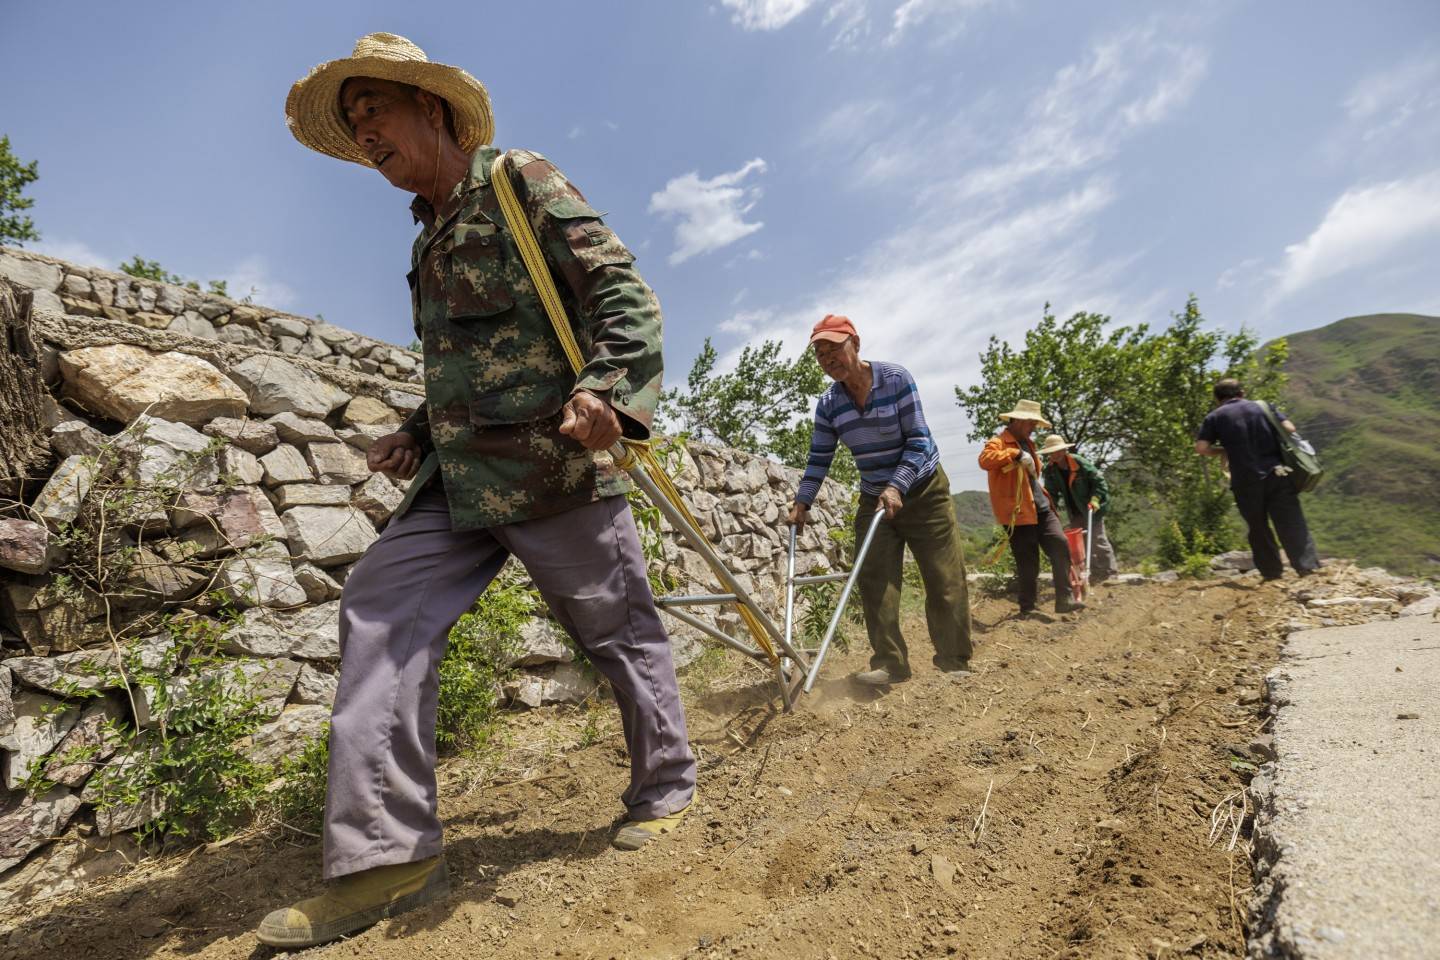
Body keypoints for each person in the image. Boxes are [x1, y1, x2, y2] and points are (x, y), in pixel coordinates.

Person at [262, 33, 696, 948]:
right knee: (379, 608)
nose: (364, 132)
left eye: (374, 109)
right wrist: (413, 431)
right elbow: (461, 368)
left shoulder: (516, 179)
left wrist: (606, 390)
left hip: (552, 461)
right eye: (351, 124)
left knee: (615, 632)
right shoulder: (424, 242)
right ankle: (390, 860)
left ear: (435, 109)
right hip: (456, 481)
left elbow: (621, 292)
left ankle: (666, 785)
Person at [786, 315, 972, 686]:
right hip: (875, 497)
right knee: (874, 580)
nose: (827, 359)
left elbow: (919, 440)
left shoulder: (896, 379)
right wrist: (802, 502)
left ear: (855, 342)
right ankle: (891, 664)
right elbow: (819, 459)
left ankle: (953, 662)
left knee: (944, 578)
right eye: (820, 354)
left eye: (833, 348)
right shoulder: (828, 405)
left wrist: (897, 485)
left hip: (923, 490)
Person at [1195, 378, 1319, 580]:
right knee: (1291, 521)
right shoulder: (1263, 407)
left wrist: (1224, 449)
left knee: (1258, 527)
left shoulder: (1215, 417)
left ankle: (1271, 574)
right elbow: (1290, 428)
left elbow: (1201, 448)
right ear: (1242, 393)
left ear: (1217, 399)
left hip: (1245, 481)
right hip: (1278, 473)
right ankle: (1307, 567)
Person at [978, 400, 1086, 617]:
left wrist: (1024, 455)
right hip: (1018, 513)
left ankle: (1064, 599)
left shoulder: (1029, 443)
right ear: (1018, 420)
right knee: (1028, 562)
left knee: (1060, 544)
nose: (1034, 427)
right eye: (1031, 423)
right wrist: (1015, 455)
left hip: (1041, 507)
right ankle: (1027, 607)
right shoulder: (998, 442)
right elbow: (985, 460)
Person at [1039, 434, 1118, 582]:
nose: (1054, 455)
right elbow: (1051, 494)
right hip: (1074, 510)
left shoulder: (1079, 463)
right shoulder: (1050, 470)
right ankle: (1095, 573)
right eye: (1051, 452)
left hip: (1092, 507)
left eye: (1057, 451)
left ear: (1063, 451)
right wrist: (1049, 509)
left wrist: (1095, 499)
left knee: (1098, 539)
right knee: (1081, 542)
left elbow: (1099, 482)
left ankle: (1110, 572)